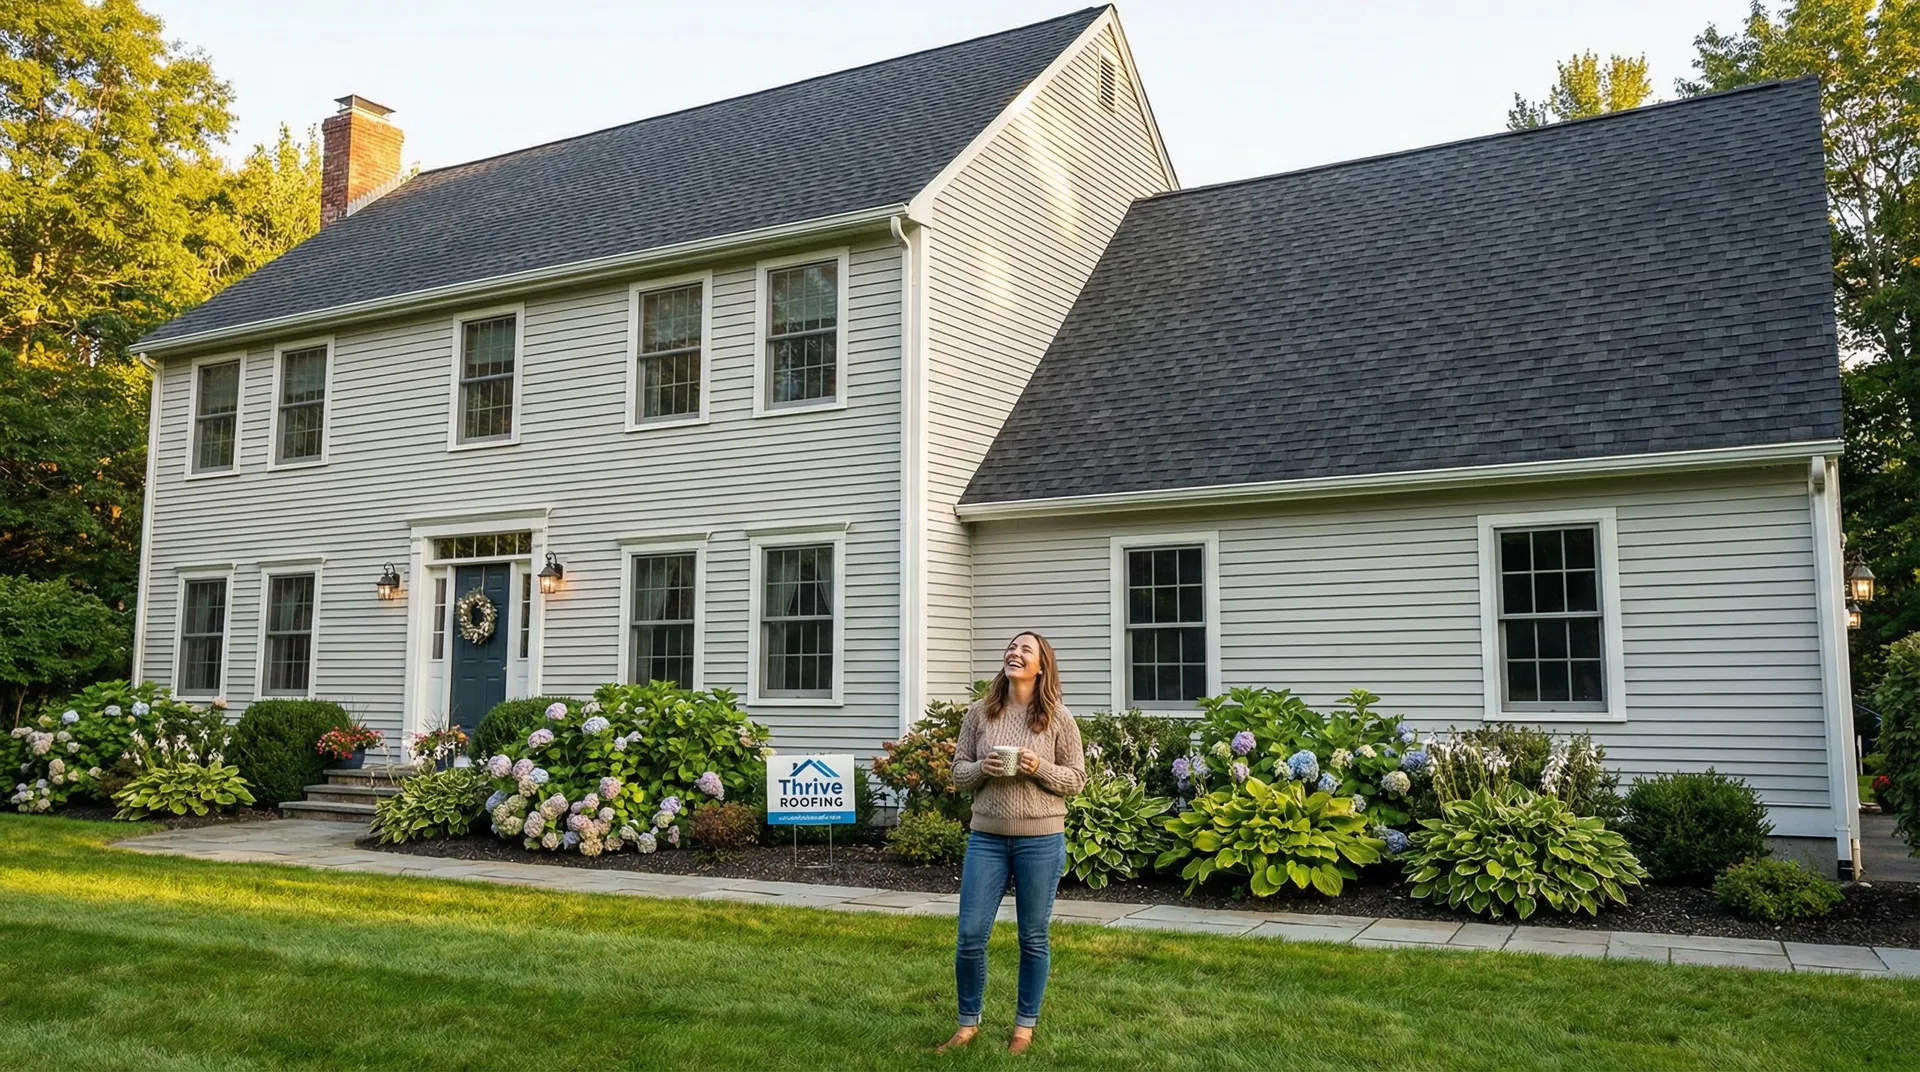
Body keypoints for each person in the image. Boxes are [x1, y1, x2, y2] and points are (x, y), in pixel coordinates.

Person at [937, 631, 1086, 1056]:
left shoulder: (1059, 718)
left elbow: (1076, 779)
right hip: (986, 837)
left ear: (1041, 667)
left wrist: (1039, 768)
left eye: (1025, 650)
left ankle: (1024, 1028)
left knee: (1032, 937)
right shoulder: (980, 713)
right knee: (970, 935)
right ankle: (967, 1024)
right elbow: (958, 772)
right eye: (1012, 647)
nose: (1014, 653)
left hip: (1040, 840)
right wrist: (980, 769)